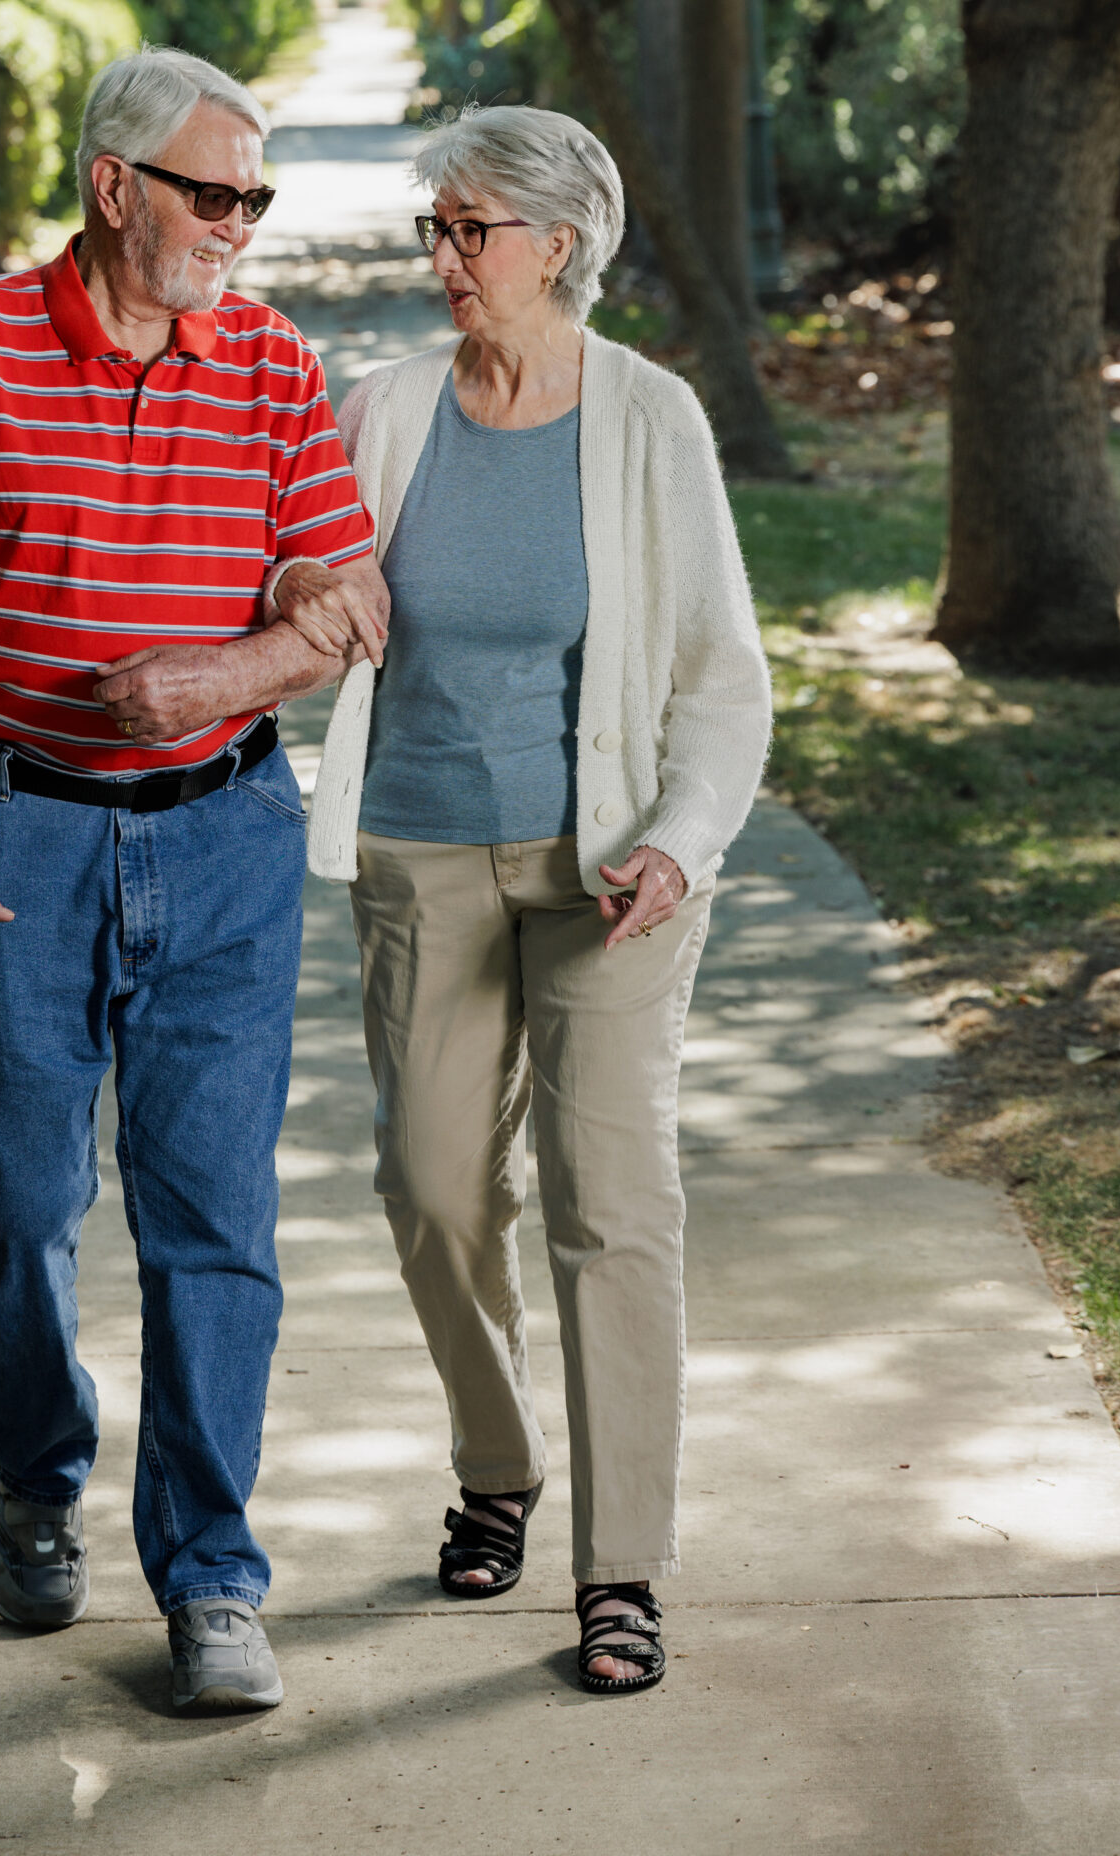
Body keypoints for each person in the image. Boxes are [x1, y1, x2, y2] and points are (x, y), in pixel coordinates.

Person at [0, 46, 387, 1715]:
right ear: (115, 186)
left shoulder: (273, 367)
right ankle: (36, 1462)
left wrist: (213, 686)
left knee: (215, 1222)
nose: (241, 225)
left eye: (257, 199)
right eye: (214, 193)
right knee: (15, 1204)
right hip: (13, 829)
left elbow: (348, 605)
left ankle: (215, 1577)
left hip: (221, 835)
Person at [269, 108, 771, 1696]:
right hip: (422, 851)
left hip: (610, 875)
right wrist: (296, 590)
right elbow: (294, 575)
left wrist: (682, 839)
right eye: (436, 226)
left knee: (611, 1208)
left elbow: (724, 678)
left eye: (466, 229)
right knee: (429, 1192)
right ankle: (500, 1458)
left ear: (560, 243)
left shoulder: (651, 419)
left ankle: (620, 1568)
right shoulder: (386, 410)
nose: (440, 256)